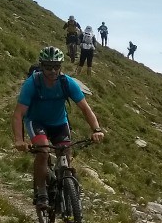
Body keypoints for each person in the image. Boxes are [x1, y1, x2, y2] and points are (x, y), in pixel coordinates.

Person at [12, 46, 104, 208]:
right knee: (43, 151)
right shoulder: (32, 83)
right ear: (41, 66)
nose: (53, 71)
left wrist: (96, 129)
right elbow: (19, 113)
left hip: (59, 122)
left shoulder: (67, 83)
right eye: (48, 67)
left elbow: (85, 108)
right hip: (36, 122)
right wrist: (19, 140)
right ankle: (41, 193)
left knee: (66, 154)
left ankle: (63, 188)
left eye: (56, 67)